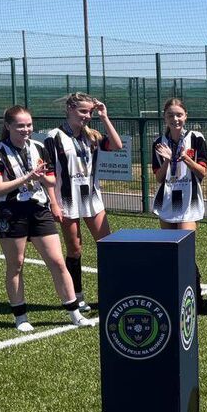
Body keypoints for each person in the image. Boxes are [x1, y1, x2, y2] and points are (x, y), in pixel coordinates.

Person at [0, 106, 90, 331]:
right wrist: (27, 177)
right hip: (11, 212)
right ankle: (21, 317)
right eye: (20, 126)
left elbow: (51, 180)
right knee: (16, 264)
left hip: (38, 209)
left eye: (29, 125)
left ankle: (74, 313)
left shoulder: (39, 147)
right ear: (8, 126)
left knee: (57, 261)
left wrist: (42, 178)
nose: (26, 129)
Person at [44, 92, 123, 311]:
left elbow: (117, 145)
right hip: (67, 198)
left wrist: (104, 117)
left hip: (91, 197)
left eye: (89, 112)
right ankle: (76, 296)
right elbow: (49, 172)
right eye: (82, 111)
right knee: (75, 249)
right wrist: (53, 203)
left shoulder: (92, 135)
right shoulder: (54, 136)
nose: (87, 116)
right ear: (69, 109)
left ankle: (111, 292)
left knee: (107, 245)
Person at [151, 98, 207, 231]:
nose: (175, 119)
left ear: (185, 116)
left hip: (189, 199)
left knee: (185, 241)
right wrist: (167, 160)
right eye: (170, 115)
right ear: (165, 117)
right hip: (167, 199)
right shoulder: (158, 142)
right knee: (169, 243)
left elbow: (202, 173)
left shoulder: (196, 138)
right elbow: (159, 178)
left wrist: (186, 158)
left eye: (179, 115)